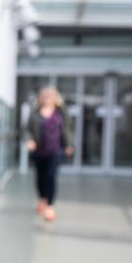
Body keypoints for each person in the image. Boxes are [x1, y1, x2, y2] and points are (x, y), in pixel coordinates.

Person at [25, 85, 74, 222]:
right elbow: (27, 130)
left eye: (50, 96)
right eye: (45, 96)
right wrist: (30, 140)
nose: (47, 98)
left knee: (51, 176)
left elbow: (68, 129)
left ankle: (50, 206)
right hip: (39, 151)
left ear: (55, 98)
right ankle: (42, 199)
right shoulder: (35, 113)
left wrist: (69, 144)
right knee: (40, 177)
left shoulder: (61, 112)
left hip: (55, 150)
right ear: (41, 98)